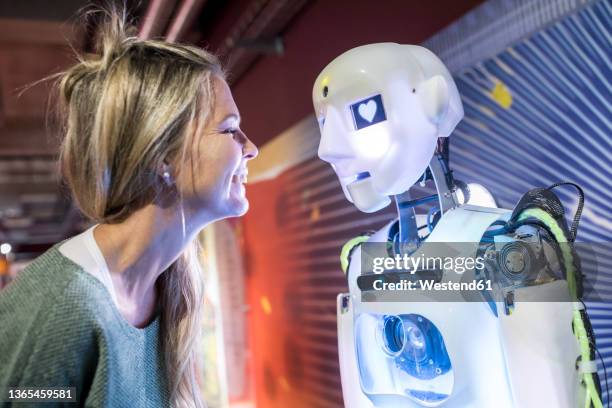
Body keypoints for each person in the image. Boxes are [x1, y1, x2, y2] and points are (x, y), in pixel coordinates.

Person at [0, 9, 257, 408]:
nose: (250, 148)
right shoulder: (61, 313)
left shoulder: (170, 284)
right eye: (228, 129)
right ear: (163, 156)